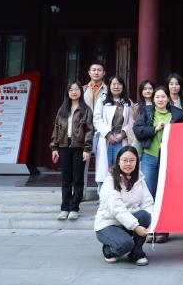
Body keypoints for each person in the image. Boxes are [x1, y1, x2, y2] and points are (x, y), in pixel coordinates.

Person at [132, 86, 183, 244]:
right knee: (149, 194)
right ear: (153, 99)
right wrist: (154, 129)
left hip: (169, 158)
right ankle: (151, 228)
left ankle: (163, 230)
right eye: (157, 97)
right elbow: (138, 130)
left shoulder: (178, 114)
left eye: (163, 97)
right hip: (150, 157)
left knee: (165, 194)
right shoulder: (147, 112)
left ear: (168, 98)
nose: (160, 100)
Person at [94, 146, 153, 266]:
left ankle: (136, 253)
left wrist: (152, 222)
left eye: (132, 160)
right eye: (125, 160)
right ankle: (108, 250)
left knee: (145, 215)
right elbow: (117, 209)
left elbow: (147, 202)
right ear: (118, 161)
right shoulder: (110, 181)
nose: (128, 164)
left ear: (137, 162)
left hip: (127, 223)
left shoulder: (139, 179)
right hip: (108, 224)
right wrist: (136, 227)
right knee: (125, 244)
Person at [50, 81, 93, 220]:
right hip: (63, 146)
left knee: (78, 179)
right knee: (66, 179)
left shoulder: (86, 110)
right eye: (71, 90)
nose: (74, 92)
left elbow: (89, 130)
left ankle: (74, 208)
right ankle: (64, 208)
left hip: (79, 147)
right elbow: (56, 128)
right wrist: (54, 147)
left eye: (76, 89)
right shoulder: (62, 109)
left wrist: (87, 149)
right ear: (67, 92)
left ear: (81, 91)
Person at [94, 75, 133, 190]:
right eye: (113, 84)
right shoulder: (102, 100)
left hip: (121, 139)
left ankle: (120, 193)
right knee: (104, 169)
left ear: (123, 86)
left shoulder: (128, 102)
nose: (116, 86)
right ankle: (103, 196)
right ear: (109, 86)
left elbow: (131, 122)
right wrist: (107, 134)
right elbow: (97, 119)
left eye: (119, 84)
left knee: (120, 167)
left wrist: (123, 134)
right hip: (106, 138)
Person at [81, 61, 108, 198]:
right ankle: (81, 193)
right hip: (84, 130)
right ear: (89, 72)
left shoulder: (108, 90)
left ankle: (102, 193)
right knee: (82, 162)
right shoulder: (82, 89)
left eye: (99, 70)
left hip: (101, 131)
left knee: (102, 162)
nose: (96, 72)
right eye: (94, 70)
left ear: (103, 73)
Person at [128, 80, 155, 152]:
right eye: (145, 89)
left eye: (150, 88)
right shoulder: (136, 107)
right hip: (139, 139)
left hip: (153, 138)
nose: (148, 91)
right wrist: (132, 141)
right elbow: (131, 125)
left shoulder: (158, 106)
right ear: (141, 91)